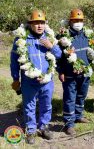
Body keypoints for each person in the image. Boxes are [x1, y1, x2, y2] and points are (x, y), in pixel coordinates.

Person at [10, 10, 62, 144]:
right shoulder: (22, 39)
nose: (39, 26)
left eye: (42, 23)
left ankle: (44, 127)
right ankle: (31, 130)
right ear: (30, 24)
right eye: (36, 23)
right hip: (29, 82)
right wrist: (16, 78)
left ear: (45, 24)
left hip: (47, 81)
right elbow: (14, 60)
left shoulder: (49, 37)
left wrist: (52, 47)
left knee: (46, 105)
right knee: (29, 106)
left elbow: (59, 55)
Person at [56, 9, 94, 135]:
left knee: (82, 95)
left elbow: (92, 52)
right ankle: (69, 124)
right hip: (70, 74)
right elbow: (58, 57)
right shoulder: (62, 37)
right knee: (70, 98)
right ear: (70, 21)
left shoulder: (88, 35)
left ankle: (78, 115)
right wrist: (60, 71)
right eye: (75, 20)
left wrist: (93, 65)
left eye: (80, 20)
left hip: (85, 73)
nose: (78, 23)